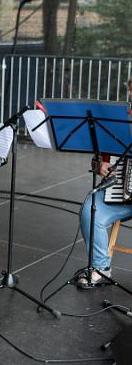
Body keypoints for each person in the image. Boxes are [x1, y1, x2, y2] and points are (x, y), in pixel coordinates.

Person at [78, 79, 132, 287]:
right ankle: (101, 267)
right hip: (119, 190)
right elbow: (98, 159)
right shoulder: (115, 122)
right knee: (89, 210)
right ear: (129, 89)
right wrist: (100, 164)